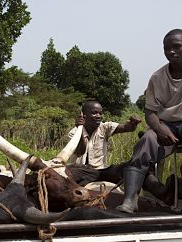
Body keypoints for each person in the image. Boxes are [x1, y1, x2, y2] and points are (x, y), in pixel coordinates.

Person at [117, 29, 182, 214]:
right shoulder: (157, 77)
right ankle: (130, 200)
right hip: (166, 124)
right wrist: (160, 129)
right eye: (166, 48)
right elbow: (150, 112)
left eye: (176, 46)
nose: (171, 51)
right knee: (146, 142)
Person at [67, 100, 141, 185]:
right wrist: (80, 130)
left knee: (128, 167)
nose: (98, 116)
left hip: (100, 173)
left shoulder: (105, 127)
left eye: (100, 113)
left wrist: (133, 124)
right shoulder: (74, 133)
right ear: (84, 116)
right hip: (80, 172)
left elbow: (126, 127)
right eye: (94, 113)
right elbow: (80, 151)